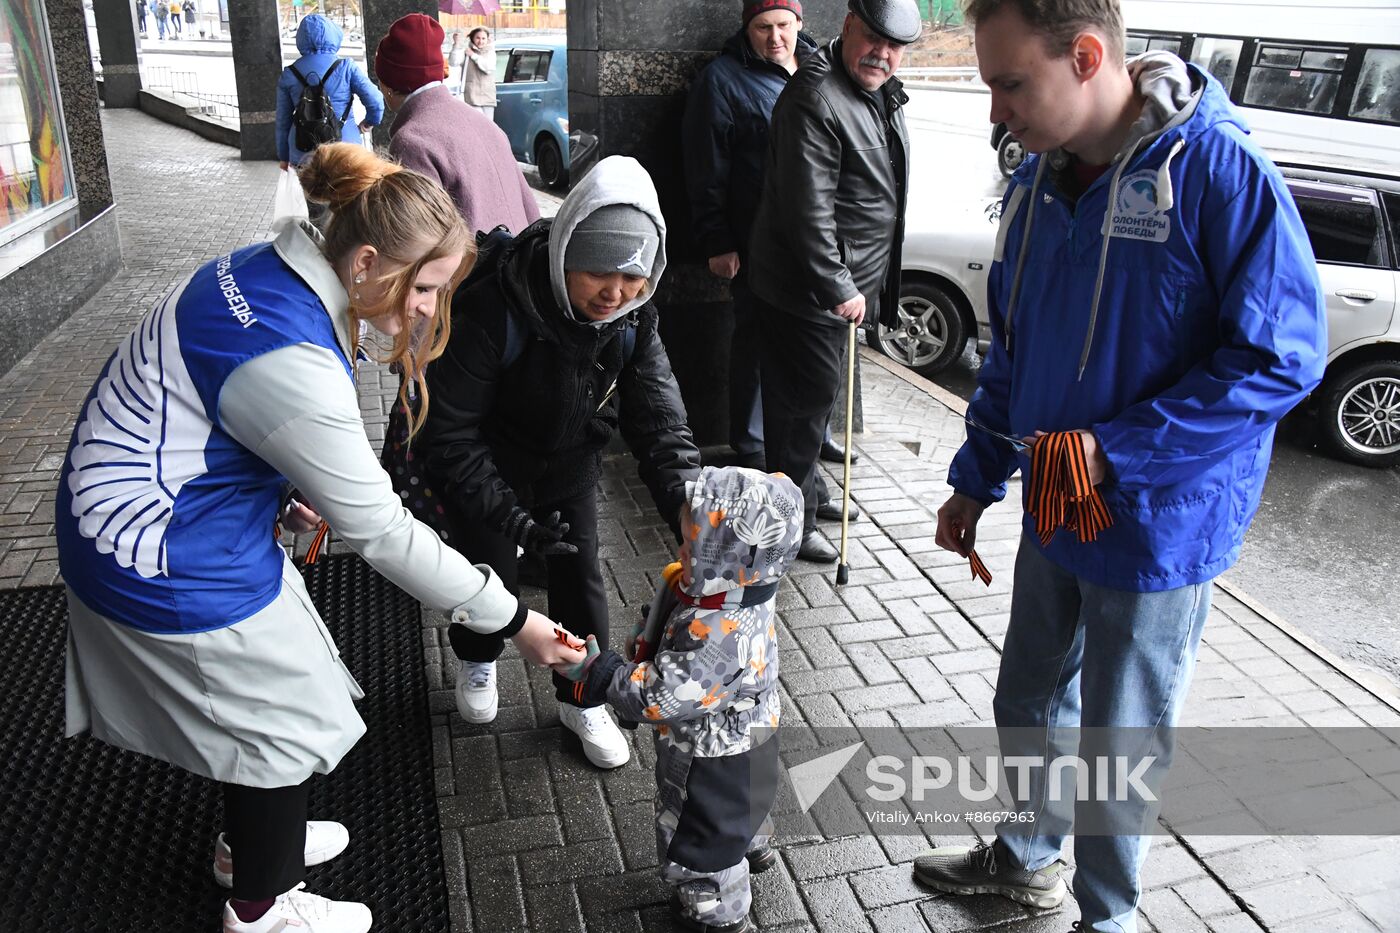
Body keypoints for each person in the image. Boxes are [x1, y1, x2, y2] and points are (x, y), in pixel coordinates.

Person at [55, 143, 586, 933]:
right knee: (281, 712)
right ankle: (260, 907)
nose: (428, 311)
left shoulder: (260, 268)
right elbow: (381, 530)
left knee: (273, 688)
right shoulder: (294, 356)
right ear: (368, 261)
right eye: (427, 288)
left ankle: (250, 845)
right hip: (155, 547)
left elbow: (211, 410)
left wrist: (275, 489)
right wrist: (516, 621)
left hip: (136, 509)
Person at [911, 2, 1328, 930]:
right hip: (1057, 507)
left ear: (1087, 57)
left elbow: (1284, 357)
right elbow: (1012, 346)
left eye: (1009, 83)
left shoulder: (1216, 171)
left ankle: (1106, 917)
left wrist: (1119, 451)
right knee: (1028, 691)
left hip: (1157, 525)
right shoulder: (1037, 185)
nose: (994, 112)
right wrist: (976, 472)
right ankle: (1024, 860)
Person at [383, 155, 702, 770]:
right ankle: (477, 660)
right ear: (562, 258)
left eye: (634, 280)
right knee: (489, 574)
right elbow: (448, 436)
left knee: (581, 579)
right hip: (488, 466)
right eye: (598, 275)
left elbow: (662, 423)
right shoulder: (495, 306)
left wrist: (695, 512)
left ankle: (582, 695)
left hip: (569, 464)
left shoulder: (635, 318)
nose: (616, 294)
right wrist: (512, 520)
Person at [559, 465, 800, 933]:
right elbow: (679, 625)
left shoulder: (718, 635)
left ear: (731, 555)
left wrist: (604, 674)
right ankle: (752, 843)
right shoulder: (743, 589)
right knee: (743, 804)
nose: (681, 549)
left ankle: (719, 913)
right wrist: (652, 631)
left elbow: (661, 694)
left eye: (692, 543)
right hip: (748, 732)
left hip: (711, 756)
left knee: (701, 838)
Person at [745, 0, 919, 563]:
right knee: (799, 412)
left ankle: (810, 491)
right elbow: (808, 212)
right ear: (847, 26)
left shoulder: (871, 91)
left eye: (895, 46)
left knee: (814, 405)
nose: (883, 54)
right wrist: (839, 286)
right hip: (809, 294)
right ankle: (788, 525)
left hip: (834, 291)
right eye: (873, 37)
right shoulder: (815, 98)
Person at [682, 0, 855, 479]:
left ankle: (814, 434)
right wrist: (717, 240)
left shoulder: (822, 67)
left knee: (818, 344)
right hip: (757, 242)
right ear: (747, 28)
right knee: (759, 344)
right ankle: (753, 445)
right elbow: (706, 167)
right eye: (763, 27)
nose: (775, 37)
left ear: (800, 24)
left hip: (816, 240)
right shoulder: (722, 80)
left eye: (784, 25)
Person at [375, 14, 537, 236]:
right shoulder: (483, 122)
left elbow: (421, 240)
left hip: (476, 268)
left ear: (389, 86)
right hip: (519, 261)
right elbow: (530, 210)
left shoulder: (412, 141)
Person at [276, 15, 384, 171]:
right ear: (333, 35)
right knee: (348, 193)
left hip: (303, 152)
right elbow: (376, 102)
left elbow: (282, 121)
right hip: (345, 149)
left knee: (313, 194)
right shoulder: (347, 67)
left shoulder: (289, 73)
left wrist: (284, 157)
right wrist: (368, 123)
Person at [463, 27, 498, 120]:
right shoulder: (466, 51)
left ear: (487, 39)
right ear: (472, 38)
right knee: (476, 124)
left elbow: (488, 68)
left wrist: (474, 56)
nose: (480, 41)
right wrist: (457, 44)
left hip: (487, 95)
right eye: (477, 38)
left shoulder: (491, 52)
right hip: (472, 95)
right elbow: (454, 62)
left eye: (483, 38)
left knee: (489, 126)